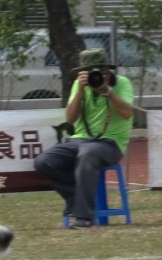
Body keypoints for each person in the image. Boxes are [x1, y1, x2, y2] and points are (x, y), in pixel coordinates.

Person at [34, 47, 134, 229]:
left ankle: (84, 217)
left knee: (87, 154)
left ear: (107, 70)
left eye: (99, 70)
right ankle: (76, 200)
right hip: (79, 139)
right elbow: (70, 119)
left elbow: (127, 113)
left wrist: (108, 91)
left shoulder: (122, 83)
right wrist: (80, 90)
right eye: (89, 71)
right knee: (44, 161)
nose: (95, 75)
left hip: (110, 143)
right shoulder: (79, 85)